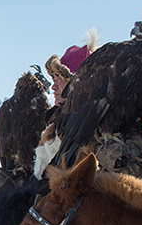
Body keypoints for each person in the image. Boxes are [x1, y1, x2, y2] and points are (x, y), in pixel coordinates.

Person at [34, 36, 96, 178]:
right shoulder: (55, 122)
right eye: (53, 79)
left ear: (77, 82)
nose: (53, 86)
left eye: (59, 79)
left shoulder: (92, 123)